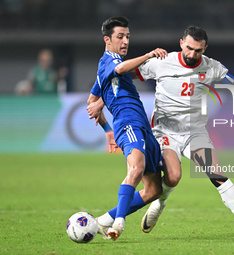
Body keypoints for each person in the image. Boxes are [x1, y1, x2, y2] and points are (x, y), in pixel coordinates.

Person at [88, 26, 234, 239]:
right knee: (173, 177)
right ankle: (160, 203)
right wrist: (101, 101)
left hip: (195, 132)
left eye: (198, 50)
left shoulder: (212, 67)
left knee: (216, 174)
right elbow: (118, 77)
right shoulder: (162, 61)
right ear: (181, 43)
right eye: (189, 48)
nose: (192, 54)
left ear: (205, 48)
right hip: (165, 131)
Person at [86, 16, 167, 241]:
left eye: (128, 37)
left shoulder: (104, 69)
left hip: (142, 125)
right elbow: (121, 68)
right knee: (136, 168)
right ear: (107, 40)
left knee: (154, 190)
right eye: (120, 37)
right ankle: (119, 222)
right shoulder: (109, 61)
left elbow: (91, 102)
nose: (125, 41)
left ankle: (103, 220)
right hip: (128, 122)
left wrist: (107, 130)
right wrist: (149, 55)